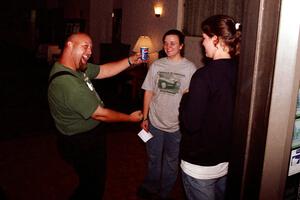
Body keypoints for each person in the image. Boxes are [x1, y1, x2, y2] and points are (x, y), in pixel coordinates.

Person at [47, 32, 143, 200]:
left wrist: (130, 60)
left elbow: (103, 70)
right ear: (69, 45)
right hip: (81, 141)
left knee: (89, 180)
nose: (90, 51)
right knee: (94, 184)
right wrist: (130, 118)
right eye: (85, 46)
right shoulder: (68, 84)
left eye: (91, 47)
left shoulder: (72, 67)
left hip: (82, 137)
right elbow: (101, 114)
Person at [179, 15, 241, 200]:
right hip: (227, 160)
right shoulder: (242, 70)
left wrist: (186, 97)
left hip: (200, 166)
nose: (202, 43)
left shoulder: (203, 76)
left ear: (215, 39)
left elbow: (190, 124)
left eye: (204, 38)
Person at [138, 29, 197, 200]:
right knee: (153, 158)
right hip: (155, 122)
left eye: (173, 43)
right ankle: (151, 186)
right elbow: (148, 92)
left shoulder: (190, 68)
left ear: (181, 46)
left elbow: (189, 99)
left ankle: (164, 192)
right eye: (165, 43)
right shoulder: (156, 65)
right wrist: (145, 117)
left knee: (171, 163)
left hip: (176, 126)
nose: (168, 46)